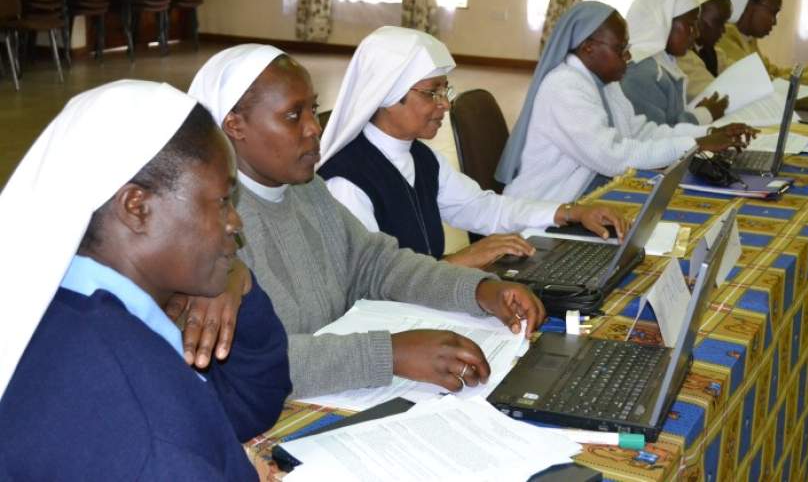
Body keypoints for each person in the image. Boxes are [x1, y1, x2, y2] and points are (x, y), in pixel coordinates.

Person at [188, 44, 546, 400]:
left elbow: (376, 264)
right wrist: (391, 354)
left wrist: (479, 291)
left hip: (335, 395)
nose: (315, 128)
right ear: (235, 126)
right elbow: (251, 361)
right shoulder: (209, 229)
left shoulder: (307, 190)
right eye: (294, 116)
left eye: (313, 109)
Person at [0, 81, 291, 480]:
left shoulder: (56, 304)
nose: (235, 222)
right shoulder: (144, 416)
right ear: (137, 208)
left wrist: (240, 286)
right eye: (222, 201)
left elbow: (239, 409)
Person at [317, 26, 627, 270]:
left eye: (445, 90)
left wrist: (570, 212)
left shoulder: (419, 157)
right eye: (431, 93)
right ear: (386, 94)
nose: (445, 105)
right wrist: (463, 259)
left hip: (427, 300)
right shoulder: (346, 181)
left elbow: (482, 207)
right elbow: (372, 281)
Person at [496, 1, 756, 204]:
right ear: (588, 48)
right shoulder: (565, 87)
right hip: (545, 211)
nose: (628, 55)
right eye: (620, 48)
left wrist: (708, 133)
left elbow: (642, 132)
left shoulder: (604, 82)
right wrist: (696, 144)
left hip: (586, 197)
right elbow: (614, 156)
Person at [620, 0, 729, 127]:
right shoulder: (639, 70)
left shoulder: (663, 63)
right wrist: (704, 114)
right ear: (664, 22)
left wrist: (693, 112)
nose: (696, 33)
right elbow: (658, 137)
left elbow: (668, 120)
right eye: (691, 25)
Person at [717, 0, 808, 112]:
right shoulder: (725, 36)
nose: (774, 22)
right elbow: (763, 83)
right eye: (772, 12)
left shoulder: (748, 38)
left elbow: (773, 72)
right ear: (749, 5)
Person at [677, 0, 734, 102]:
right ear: (695, 18)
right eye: (718, 22)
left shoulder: (715, 53)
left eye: (725, 23)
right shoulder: (681, 58)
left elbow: (739, 75)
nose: (723, 30)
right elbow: (714, 94)